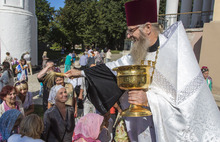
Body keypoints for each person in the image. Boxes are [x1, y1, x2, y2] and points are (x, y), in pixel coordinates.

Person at [65, 0, 220, 141]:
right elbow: (111, 69)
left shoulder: (176, 54)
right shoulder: (137, 53)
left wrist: (148, 100)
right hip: (137, 133)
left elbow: (188, 105)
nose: (128, 35)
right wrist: (81, 72)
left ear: (147, 28)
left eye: (131, 30)